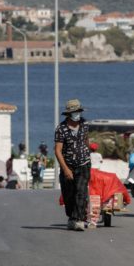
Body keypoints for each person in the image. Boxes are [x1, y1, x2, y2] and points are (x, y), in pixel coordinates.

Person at [55, 99, 91, 231]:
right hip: (68, 165)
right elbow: (57, 150)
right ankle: (72, 217)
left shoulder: (85, 124)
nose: (78, 114)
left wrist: (88, 153)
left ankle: (79, 220)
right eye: (75, 112)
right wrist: (65, 169)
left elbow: (86, 139)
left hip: (84, 164)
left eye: (79, 111)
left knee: (81, 192)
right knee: (68, 194)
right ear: (69, 114)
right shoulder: (61, 129)